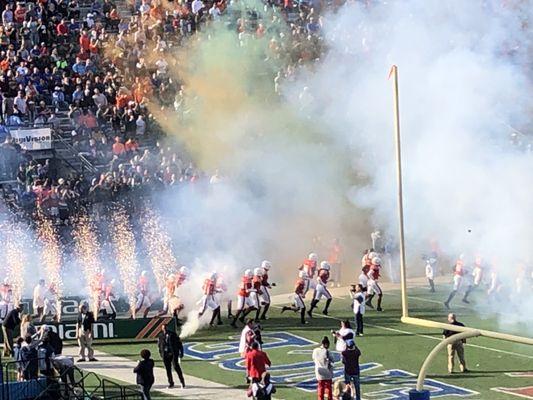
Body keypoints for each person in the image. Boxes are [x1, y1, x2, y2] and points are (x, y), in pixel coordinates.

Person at [157, 324, 185, 389]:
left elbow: (179, 344)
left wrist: (181, 352)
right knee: (168, 369)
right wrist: (161, 353)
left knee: (176, 367)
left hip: (173, 353)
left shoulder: (173, 335)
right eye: (163, 328)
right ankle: (171, 383)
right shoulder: (161, 335)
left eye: (165, 328)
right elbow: (159, 345)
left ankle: (182, 381)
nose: (165, 329)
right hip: (165, 354)